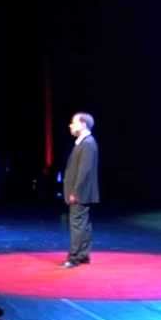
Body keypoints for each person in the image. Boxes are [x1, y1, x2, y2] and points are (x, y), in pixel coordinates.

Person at [62, 113, 99, 268]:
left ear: (83, 124)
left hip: (80, 192)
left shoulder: (88, 143)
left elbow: (84, 171)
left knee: (77, 224)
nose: (70, 126)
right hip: (81, 192)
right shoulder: (83, 143)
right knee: (83, 224)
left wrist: (75, 191)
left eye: (73, 122)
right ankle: (83, 254)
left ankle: (75, 257)